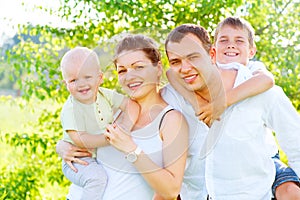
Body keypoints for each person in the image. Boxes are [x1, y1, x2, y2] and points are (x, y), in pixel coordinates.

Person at [165, 23, 300, 199]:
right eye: (176, 61)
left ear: (211, 54)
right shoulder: (172, 96)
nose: (185, 67)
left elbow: (296, 145)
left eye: (194, 57)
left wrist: (222, 102)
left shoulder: (260, 88)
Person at [57, 35, 189, 200]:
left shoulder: (170, 120)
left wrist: (131, 149)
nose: (129, 76)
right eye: (122, 70)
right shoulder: (112, 111)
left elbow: (171, 191)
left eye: (138, 67)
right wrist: (62, 146)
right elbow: (80, 136)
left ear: (158, 68)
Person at [212, 17, 300, 200]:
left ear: (251, 51)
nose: (230, 45)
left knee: (291, 193)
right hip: (220, 178)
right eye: (224, 40)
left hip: (265, 164)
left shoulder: (264, 89)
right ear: (213, 51)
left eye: (239, 41)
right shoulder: (198, 87)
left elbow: (295, 140)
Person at [60, 46, 140, 199]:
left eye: (87, 77)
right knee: (96, 179)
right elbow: (79, 138)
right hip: (79, 159)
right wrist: (109, 139)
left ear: (100, 78)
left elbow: (131, 105)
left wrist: (123, 128)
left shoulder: (105, 95)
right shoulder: (71, 107)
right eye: (73, 80)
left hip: (96, 157)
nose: (81, 84)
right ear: (66, 84)